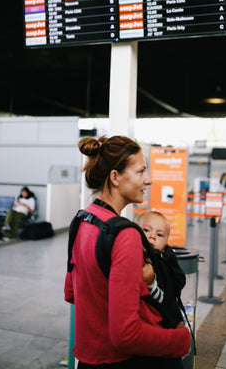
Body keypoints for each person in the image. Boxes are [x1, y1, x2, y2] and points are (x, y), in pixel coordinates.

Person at [64, 135, 191, 369]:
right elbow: (126, 334)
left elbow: (71, 292)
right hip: (122, 360)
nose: (149, 180)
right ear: (115, 177)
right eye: (141, 171)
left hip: (89, 357)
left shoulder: (82, 221)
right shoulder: (125, 235)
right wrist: (180, 341)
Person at [135, 211, 186, 330]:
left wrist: (150, 283)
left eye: (160, 235)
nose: (152, 236)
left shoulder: (163, 265)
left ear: (165, 245)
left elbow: (165, 300)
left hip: (163, 324)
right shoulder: (134, 257)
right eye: (146, 230)